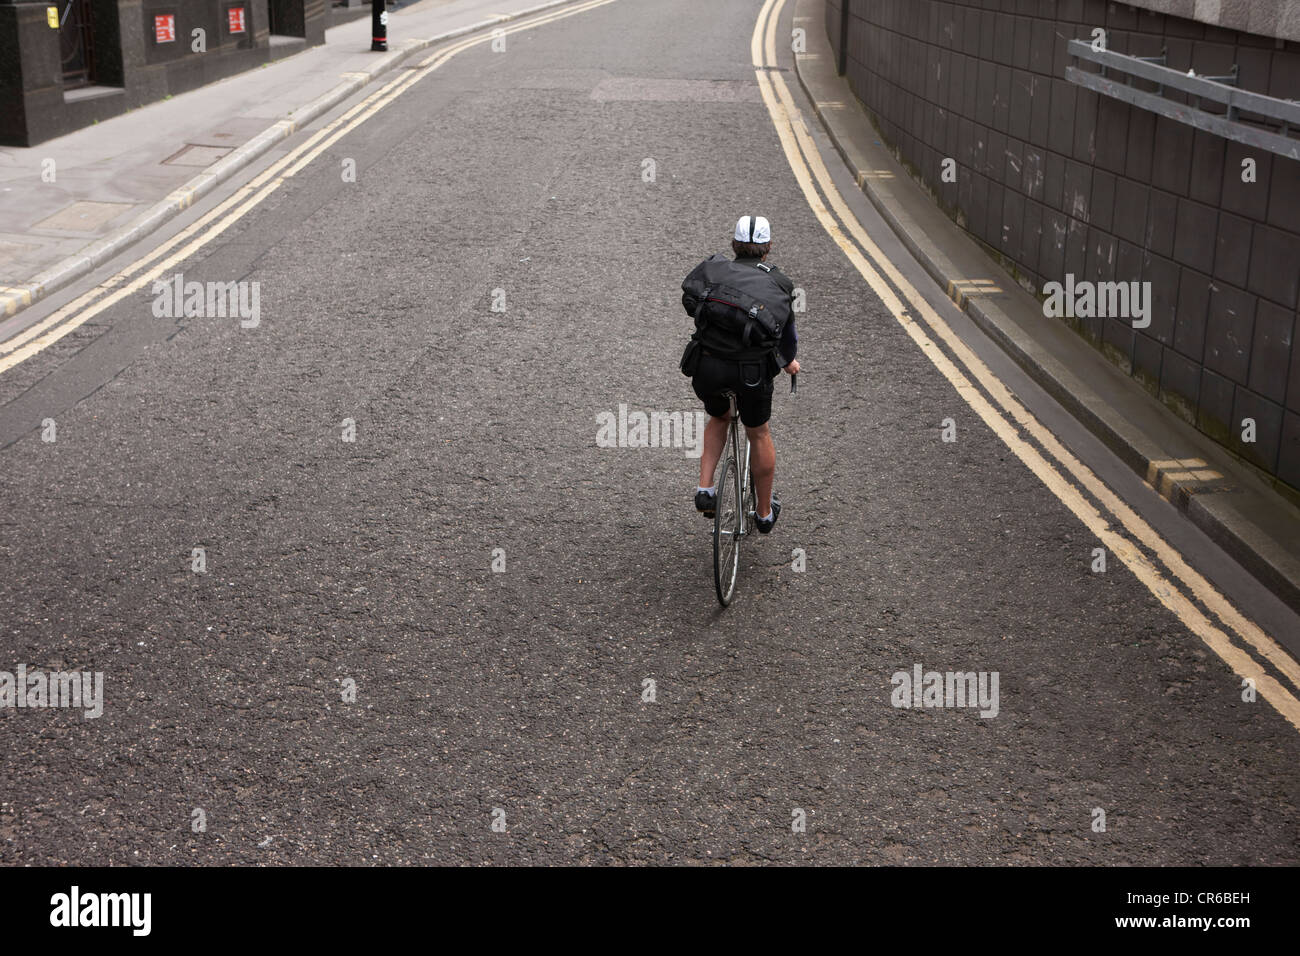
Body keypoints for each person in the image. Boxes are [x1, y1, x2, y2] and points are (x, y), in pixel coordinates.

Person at [679, 215, 800, 534]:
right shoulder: (781, 284)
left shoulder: (714, 271)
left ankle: (705, 489)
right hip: (750, 373)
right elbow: (787, 341)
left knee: (719, 417)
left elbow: (691, 303)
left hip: (708, 368)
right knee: (758, 432)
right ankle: (763, 513)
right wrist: (790, 362)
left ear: (734, 246)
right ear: (768, 248)